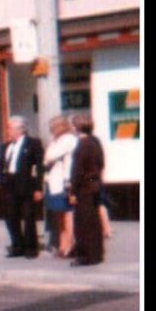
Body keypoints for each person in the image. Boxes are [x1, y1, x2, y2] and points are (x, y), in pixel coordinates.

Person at [0, 116, 44, 258]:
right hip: (9, 184)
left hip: (26, 184)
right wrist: (1, 181)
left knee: (28, 216)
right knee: (10, 216)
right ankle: (17, 245)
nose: (8, 131)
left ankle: (31, 247)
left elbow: (39, 167)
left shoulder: (33, 144)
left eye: (10, 128)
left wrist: (38, 188)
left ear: (21, 129)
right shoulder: (5, 146)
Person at [68, 114, 105, 267]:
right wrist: (93, 181)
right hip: (93, 187)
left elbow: (78, 171)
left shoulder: (82, 145)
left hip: (84, 189)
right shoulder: (95, 142)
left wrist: (74, 189)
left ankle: (85, 255)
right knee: (94, 222)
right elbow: (98, 166)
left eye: (72, 125)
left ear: (77, 127)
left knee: (83, 223)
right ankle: (96, 254)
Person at [42, 114, 78, 258]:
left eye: (53, 128)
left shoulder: (68, 139)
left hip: (63, 182)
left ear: (60, 127)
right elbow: (47, 157)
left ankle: (69, 245)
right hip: (52, 182)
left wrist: (47, 159)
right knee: (58, 216)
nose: (51, 131)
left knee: (67, 215)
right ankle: (62, 244)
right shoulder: (55, 141)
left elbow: (50, 157)